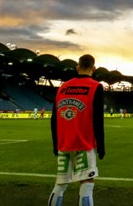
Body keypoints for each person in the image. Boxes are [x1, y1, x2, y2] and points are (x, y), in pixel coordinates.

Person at [49, 54, 105, 206]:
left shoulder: (63, 87)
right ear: (93, 68)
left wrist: (56, 144)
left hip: (64, 143)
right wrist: (101, 145)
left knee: (60, 184)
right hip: (84, 143)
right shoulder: (96, 87)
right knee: (87, 184)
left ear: (77, 67)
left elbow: (54, 119)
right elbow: (98, 120)